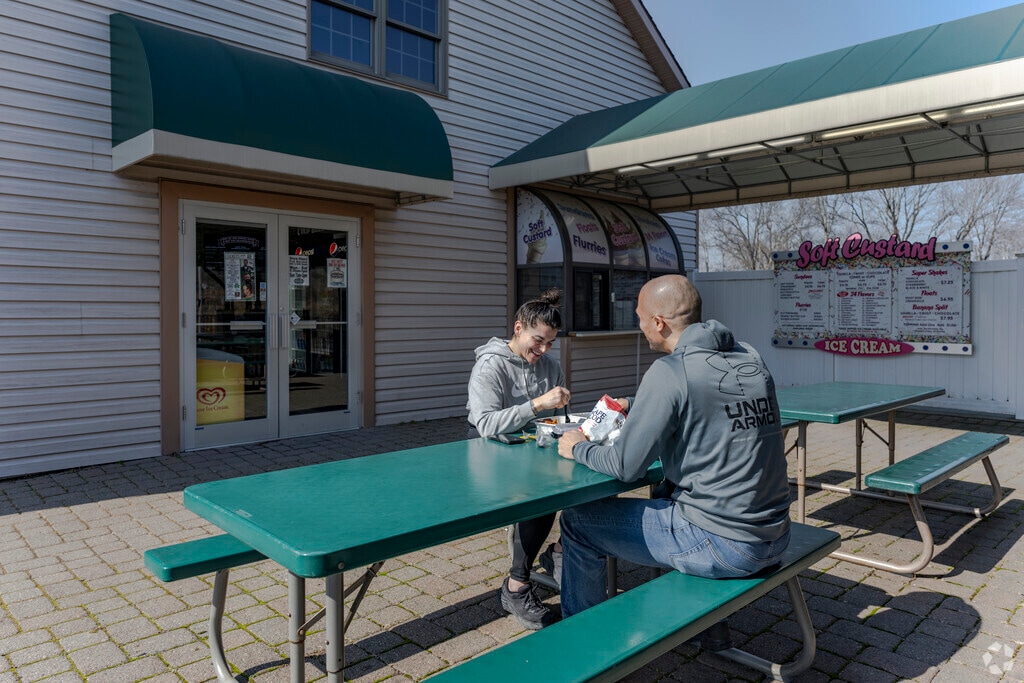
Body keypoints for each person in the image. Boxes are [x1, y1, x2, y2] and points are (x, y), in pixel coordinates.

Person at [556, 274, 792, 621]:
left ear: (658, 323)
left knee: (577, 522)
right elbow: (708, 399)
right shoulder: (749, 356)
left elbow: (626, 467)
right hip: (776, 534)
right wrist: (637, 402)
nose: (639, 327)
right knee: (665, 494)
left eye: (639, 318)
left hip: (724, 543)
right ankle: (713, 636)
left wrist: (578, 447)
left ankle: (582, 639)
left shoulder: (668, 370)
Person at [467, 288, 571, 629]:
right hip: (491, 451)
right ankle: (516, 586)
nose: (543, 350)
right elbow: (485, 424)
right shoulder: (490, 365)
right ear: (518, 329)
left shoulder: (551, 366)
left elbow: (558, 421)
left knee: (591, 477)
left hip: (534, 448)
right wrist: (538, 404)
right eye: (538, 340)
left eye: (550, 343)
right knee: (539, 495)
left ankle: (560, 551)